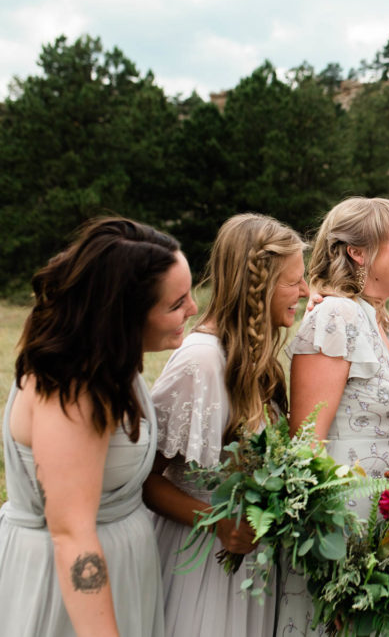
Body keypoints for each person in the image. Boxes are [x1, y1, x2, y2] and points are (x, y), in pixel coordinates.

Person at [0, 217, 196, 636]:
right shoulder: (69, 386)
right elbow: (71, 535)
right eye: (176, 303)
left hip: (126, 567)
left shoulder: (109, 361)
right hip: (72, 591)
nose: (193, 309)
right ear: (124, 315)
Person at [143, 214, 308, 637]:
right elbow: (143, 479)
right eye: (294, 282)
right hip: (198, 563)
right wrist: (215, 522)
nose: (305, 293)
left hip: (250, 571)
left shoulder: (260, 364)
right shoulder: (200, 361)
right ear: (258, 285)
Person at [275, 197, 389, 637]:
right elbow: (307, 442)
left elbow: (382, 432)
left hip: (380, 519)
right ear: (357, 252)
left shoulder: (380, 323)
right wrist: (328, 554)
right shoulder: (335, 315)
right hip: (338, 525)